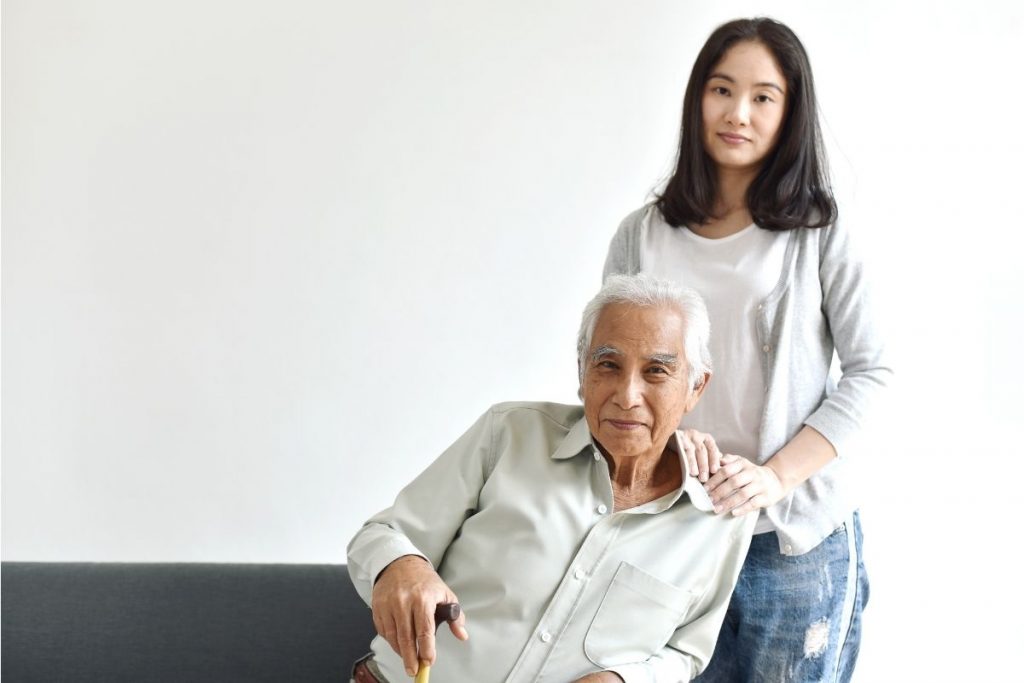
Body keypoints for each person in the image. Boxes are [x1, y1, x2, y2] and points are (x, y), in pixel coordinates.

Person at [602, 17, 892, 683]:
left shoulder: (820, 230)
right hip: (675, 530)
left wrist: (776, 476)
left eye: (764, 96)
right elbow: (609, 373)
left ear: (790, 113)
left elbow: (873, 370)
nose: (738, 112)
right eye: (721, 89)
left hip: (793, 543)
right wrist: (661, 451)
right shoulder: (642, 236)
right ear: (696, 97)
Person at [347, 274, 757, 683]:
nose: (627, 395)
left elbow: (686, 651)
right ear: (582, 373)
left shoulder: (722, 512)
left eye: (655, 372)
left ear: (695, 387)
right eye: (608, 365)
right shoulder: (508, 433)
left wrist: (623, 680)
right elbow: (380, 535)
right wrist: (401, 563)